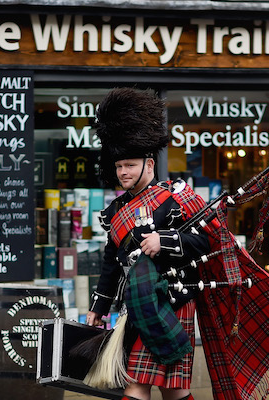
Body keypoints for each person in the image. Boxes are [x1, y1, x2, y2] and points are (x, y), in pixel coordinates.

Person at [86, 88, 210, 400]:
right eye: (118, 166)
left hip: (172, 301)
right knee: (145, 384)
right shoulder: (115, 211)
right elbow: (111, 262)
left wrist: (164, 239)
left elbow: (204, 242)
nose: (123, 172)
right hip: (138, 304)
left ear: (149, 164)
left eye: (129, 164)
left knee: (171, 389)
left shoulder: (175, 199)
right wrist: (99, 308)